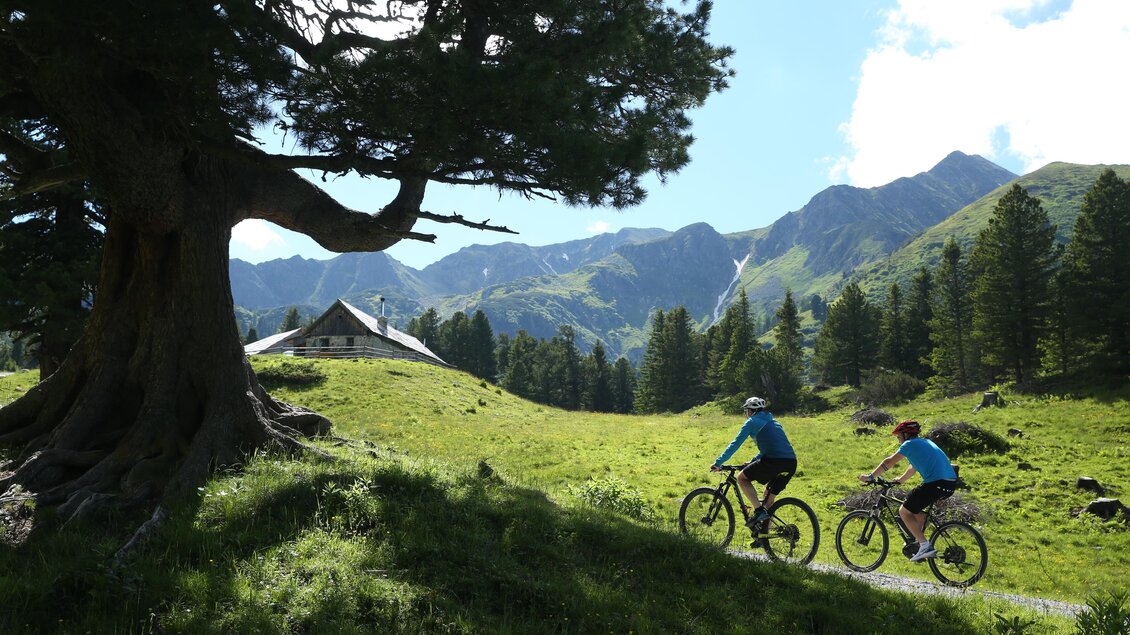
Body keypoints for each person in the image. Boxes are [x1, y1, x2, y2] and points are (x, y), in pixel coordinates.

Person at [859, 420, 957, 562]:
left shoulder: (909, 444)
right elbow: (913, 466)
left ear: (905, 435)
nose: (899, 441)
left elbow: (889, 462)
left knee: (904, 511)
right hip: (949, 484)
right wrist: (901, 479)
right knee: (916, 513)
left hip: (936, 483)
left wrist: (870, 476)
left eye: (899, 437)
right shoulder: (924, 443)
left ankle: (925, 546)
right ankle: (919, 543)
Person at [711, 396, 797, 529]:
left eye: (746, 411)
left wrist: (718, 462)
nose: (746, 414)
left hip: (774, 461)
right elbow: (770, 449)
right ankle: (769, 534)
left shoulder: (752, 422)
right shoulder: (774, 422)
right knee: (767, 500)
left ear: (751, 411)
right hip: (790, 463)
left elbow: (735, 444)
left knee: (742, 478)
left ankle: (758, 511)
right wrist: (752, 462)